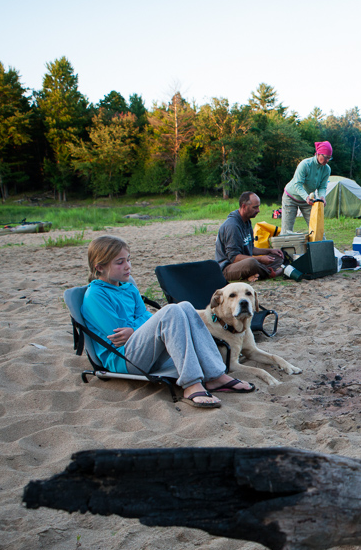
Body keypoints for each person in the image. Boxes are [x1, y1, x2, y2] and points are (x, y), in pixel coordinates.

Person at [81, 235, 255, 409]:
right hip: (122, 358)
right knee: (171, 310)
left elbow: (145, 316)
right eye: (120, 262)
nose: (128, 266)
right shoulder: (96, 295)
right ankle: (191, 384)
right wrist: (138, 326)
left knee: (185, 307)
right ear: (100, 267)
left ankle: (216, 376)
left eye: (128, 259)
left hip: (141, 349)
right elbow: (118, 334)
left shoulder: (127, 286)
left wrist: (134, 329)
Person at [216, 191, 287, 282]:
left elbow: (251, 248)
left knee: (278, 256)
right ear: (244, 206)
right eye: (255, 207)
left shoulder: (247, 221)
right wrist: (260, 259)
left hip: (244, 263)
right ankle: (272, 273)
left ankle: (257, 273)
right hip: (228, 268)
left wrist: (270, 251)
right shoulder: (232, 226)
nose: (258, 210)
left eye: (258, 207)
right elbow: (234, 258)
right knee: (252, 263)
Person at [281, 141, 332, 234]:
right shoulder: (305, 165)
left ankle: (320, 244)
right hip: (291, 197)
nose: (327, 160)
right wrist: (306, 197)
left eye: (329, 158)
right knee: (287, 231)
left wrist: (322, 197)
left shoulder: (327, 169)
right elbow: (298, 184)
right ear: (318, 154)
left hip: (309, 200)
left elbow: (322, 187)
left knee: (317, 229)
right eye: (326, 157)